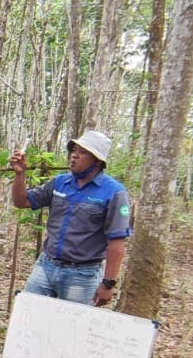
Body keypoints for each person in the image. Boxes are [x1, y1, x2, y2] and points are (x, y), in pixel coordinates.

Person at [9, 130, 131, 306]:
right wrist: (20, 174)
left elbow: (117, 242)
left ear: (97, 160)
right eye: (74, 150)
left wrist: (108, 283)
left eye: (82, 153)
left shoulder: (114, 192)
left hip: (83, 274)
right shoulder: (60, 183)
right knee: (28, 317)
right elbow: (22, 201)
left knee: (72, 328)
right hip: (46, 265)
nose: (74, 156)